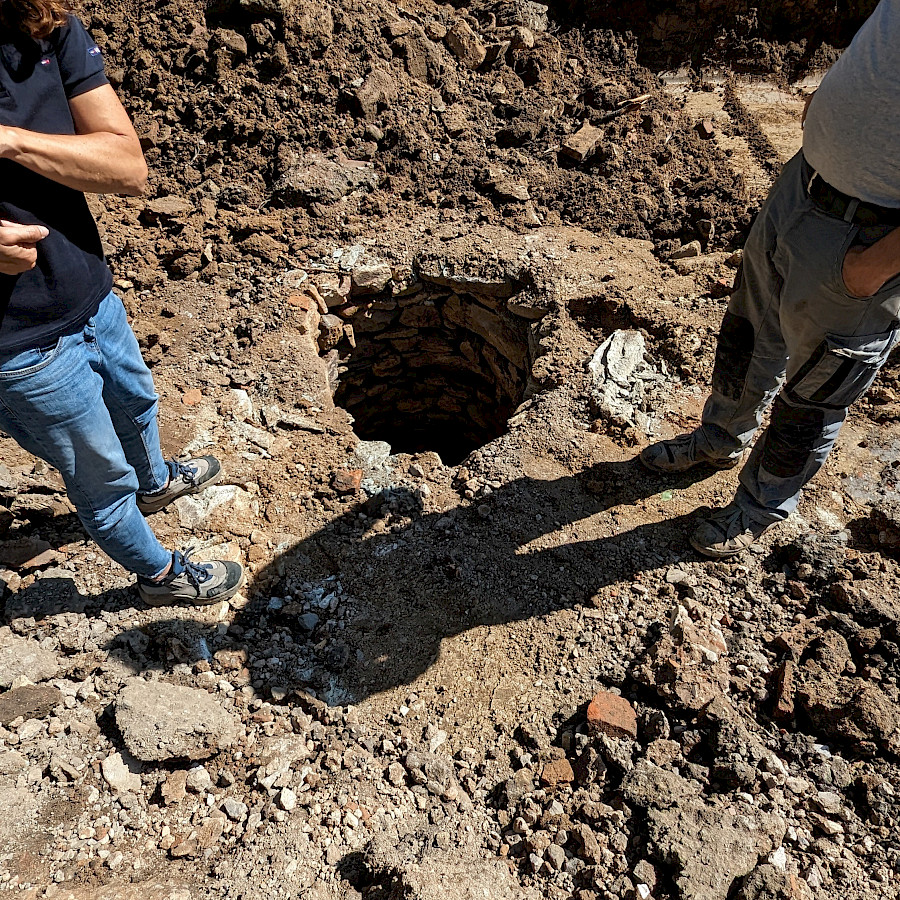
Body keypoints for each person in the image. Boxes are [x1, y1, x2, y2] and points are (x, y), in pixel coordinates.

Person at [0, 0, 244, 605]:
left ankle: (156, 482)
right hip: (18, 346)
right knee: (99, 475)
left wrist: (6, 141)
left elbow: (127, 166)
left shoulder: (42, 24)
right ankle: (160, 576)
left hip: (89, 291)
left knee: (136, 399)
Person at [640, 0, 900, 558]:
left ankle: (760, 507)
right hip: (802, 185)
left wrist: (874, 267)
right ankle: (720, 436)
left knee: (815, 392)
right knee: (749, 330)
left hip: (868, 240)